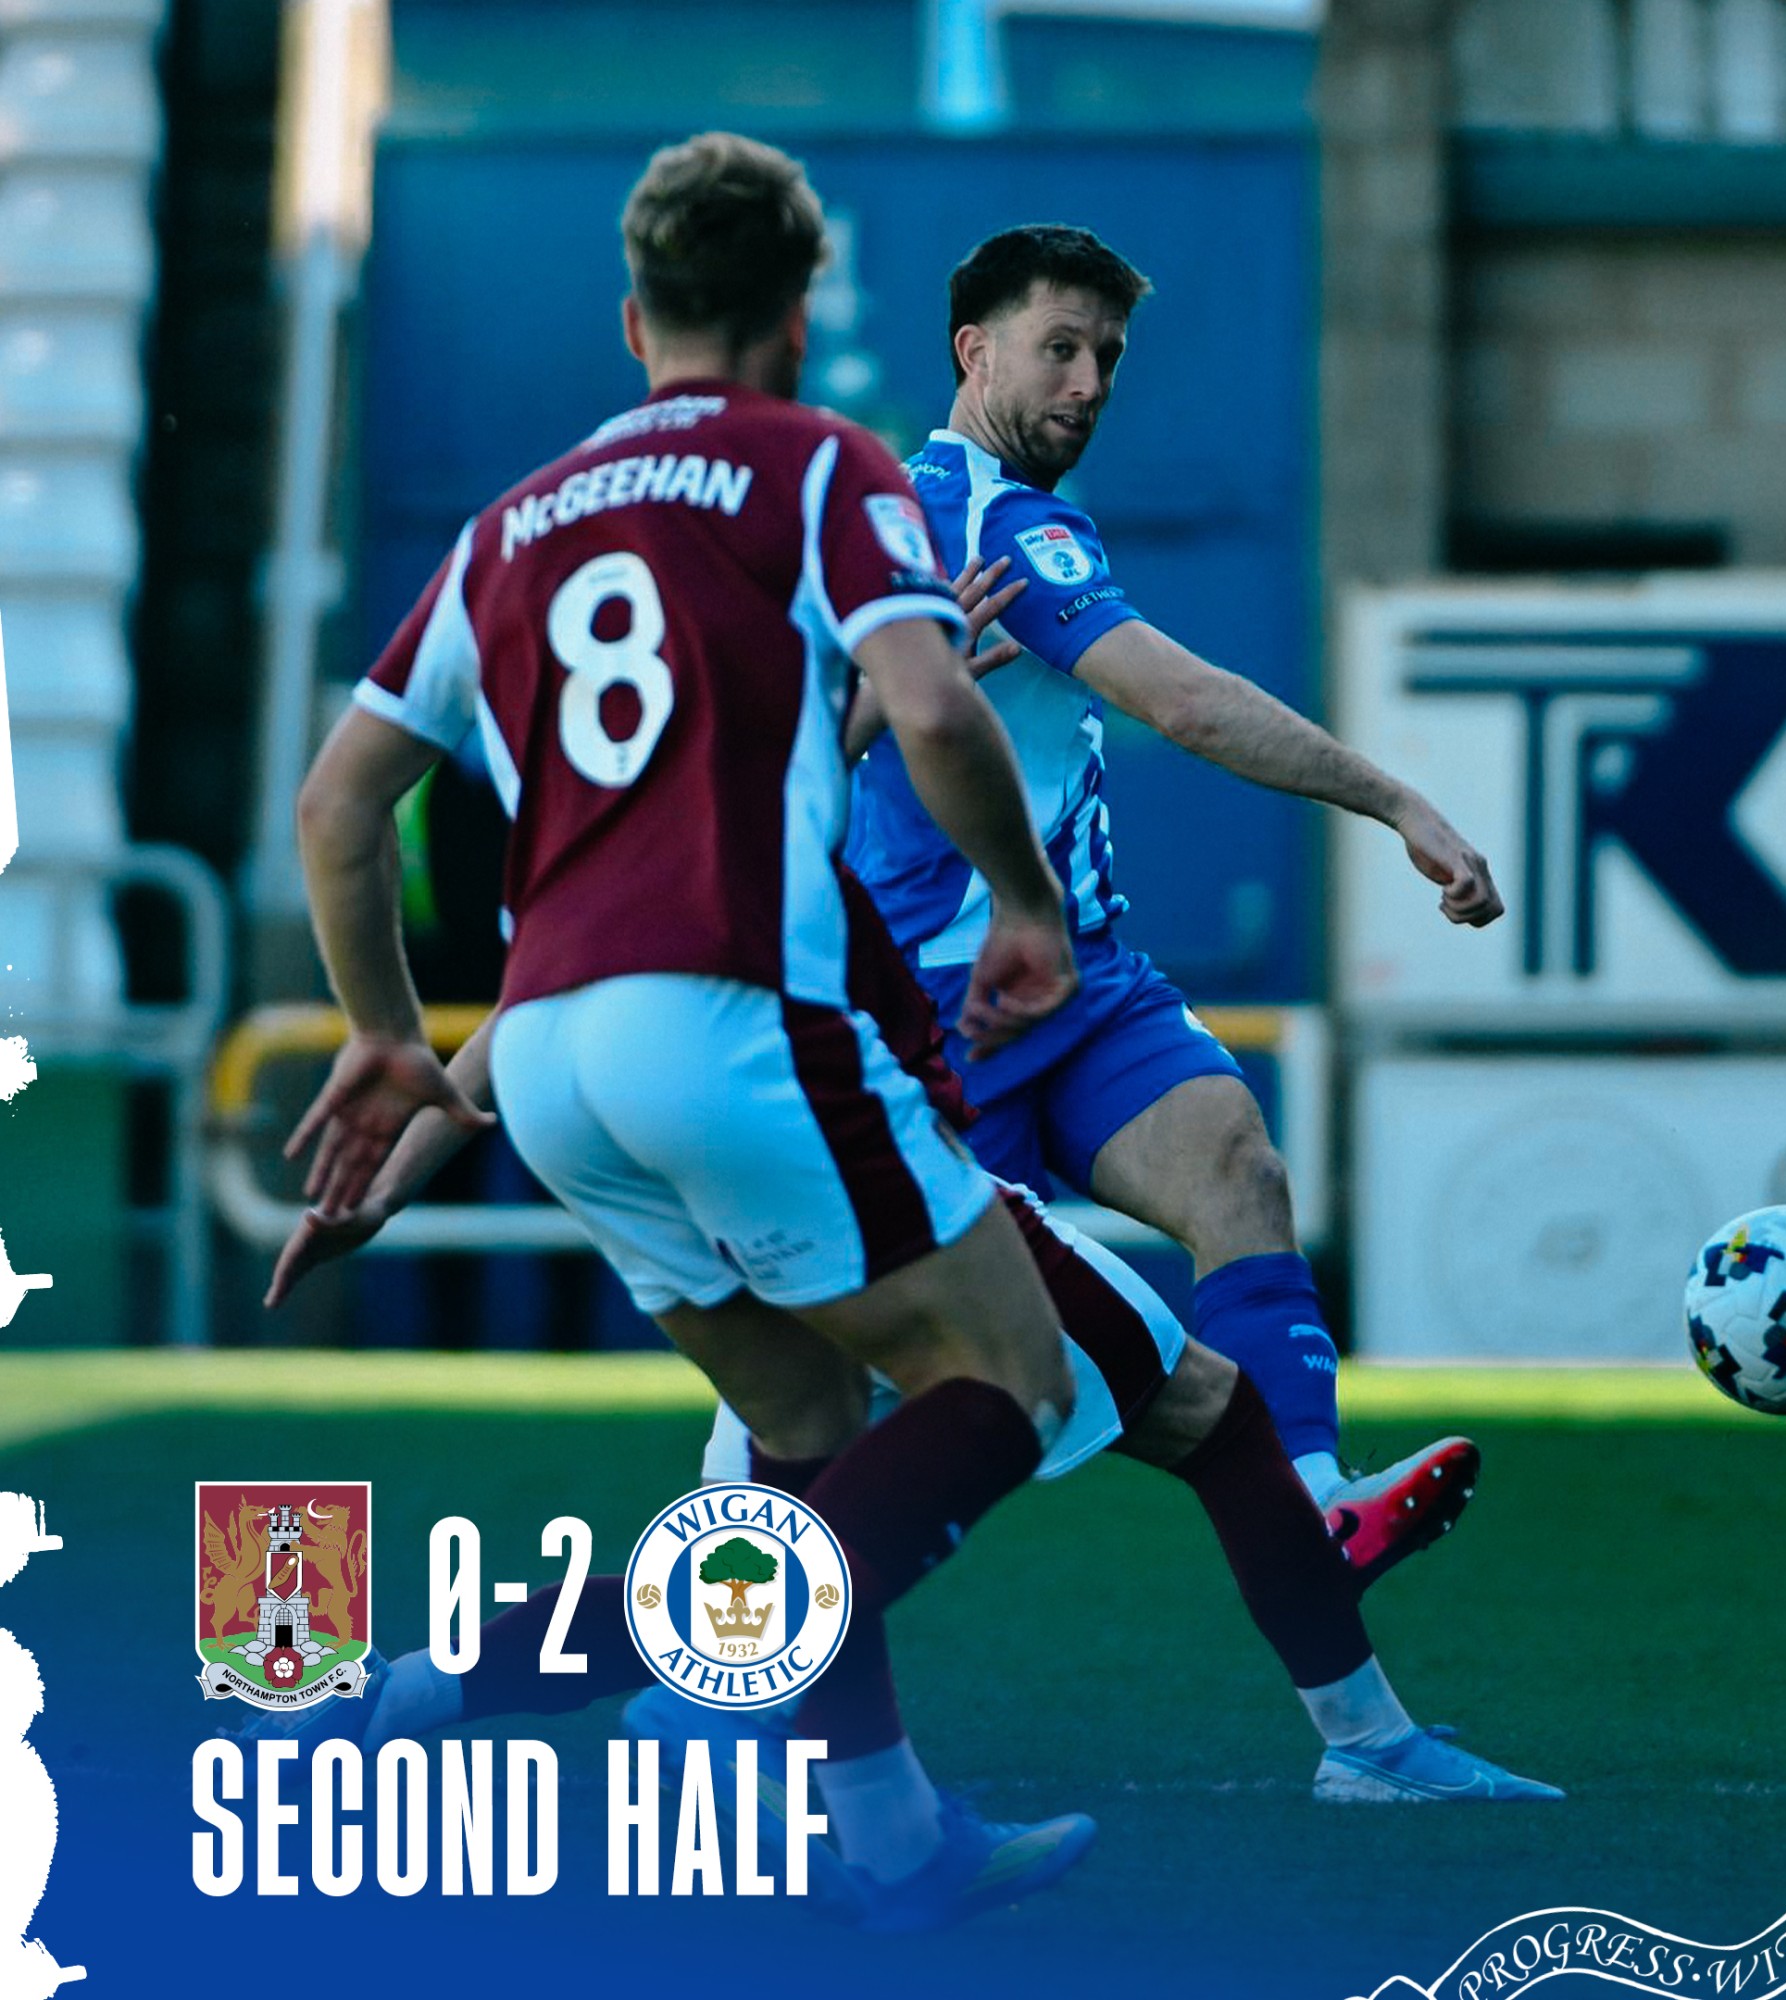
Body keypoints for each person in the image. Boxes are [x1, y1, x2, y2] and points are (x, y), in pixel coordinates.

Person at [284, 132, 1105, 1932]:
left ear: (630, 315)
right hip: (731, 1017)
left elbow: (338, 803)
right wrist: (1027, 906)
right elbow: (932, 709)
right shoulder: (819, 465)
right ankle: (684, 1691)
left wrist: (384, 1036)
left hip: (549, 1059)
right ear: (802, 312)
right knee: (1015, 1383)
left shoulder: (510, 523)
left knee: (804, 1430)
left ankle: (868, 1838)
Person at [263, 863, 1561, 1851]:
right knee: (1207, 1417)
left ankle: (392, 1700)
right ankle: (1367, 1741)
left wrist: (387, 1183)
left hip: (711, 1193)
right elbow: (927, 712)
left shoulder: (617, 763)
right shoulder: (801, 699)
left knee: (746, 1566)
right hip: (874, 1173)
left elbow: (515, 994)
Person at [844, 223, 1501, 1547]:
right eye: (1059, 348)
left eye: (1108, 355)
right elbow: (1185, 703)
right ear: (974, 353)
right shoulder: (979, 514)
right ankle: (563, 1652)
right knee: (913, 1432)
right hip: (945, 1014)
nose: (1089, 381)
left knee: (1235, 1168)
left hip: (1078, 980)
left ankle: (1315, 1510)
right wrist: (1394, 799)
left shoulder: (964, 514)